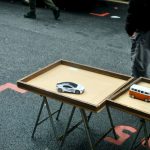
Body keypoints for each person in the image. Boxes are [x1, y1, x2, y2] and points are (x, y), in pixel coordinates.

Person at [125, 0, 150, 78]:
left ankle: (139, 85)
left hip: (144, 29)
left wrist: (129, 28)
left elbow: (134, 10)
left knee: (139, 65)